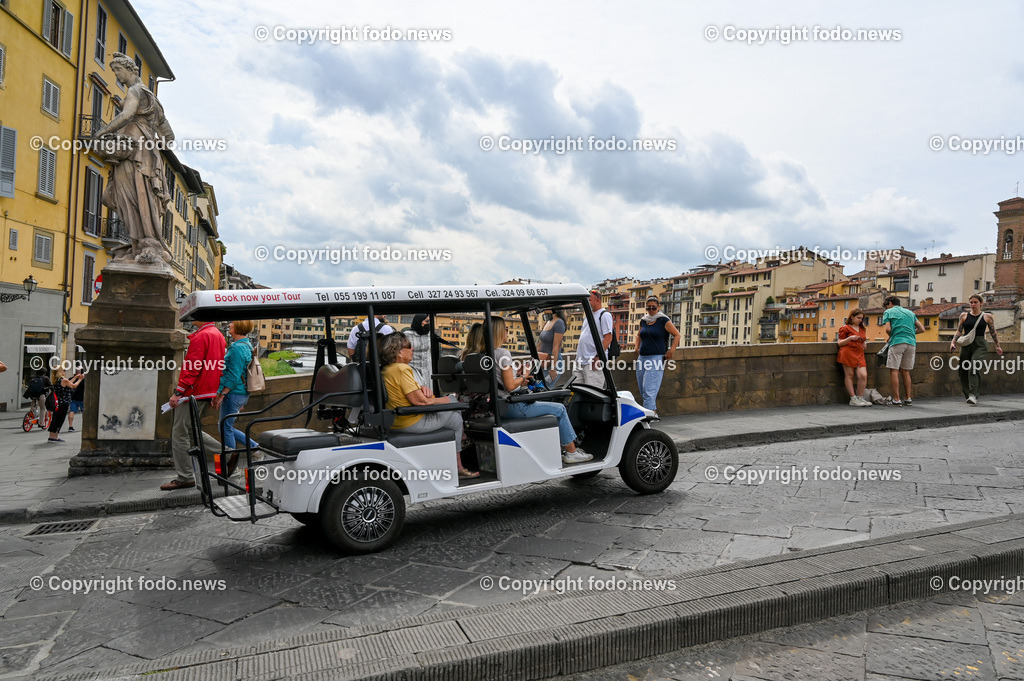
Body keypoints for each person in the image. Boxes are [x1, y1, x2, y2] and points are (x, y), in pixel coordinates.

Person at [93, 53, 174, 265]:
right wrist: (153, 146)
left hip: (131, 153)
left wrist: (101, 133)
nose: (117, 76)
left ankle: (143, 243)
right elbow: (169, 135)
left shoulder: (135, 91)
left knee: (129, 197)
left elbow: (126, 115)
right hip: (147, 155)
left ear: (129, 69)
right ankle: (141, 242)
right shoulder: (153, 99)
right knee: (138, 198)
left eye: (118, 70)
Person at [489, 317, 593, 465]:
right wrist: (524, 375)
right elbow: (511, 386)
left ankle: (566, 448)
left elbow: (502, 380)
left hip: (498, 406)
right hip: (513, 406)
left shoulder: (487, 354)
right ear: (498, 331)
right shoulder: (502, 353)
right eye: (506, 329)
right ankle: (571, 452)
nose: (508, 331)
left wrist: (517, 376)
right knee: (560, 409)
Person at [379, 333, 478, 479]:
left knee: (454, 413)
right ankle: (459, 463)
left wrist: (422, 389)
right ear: (399, 351)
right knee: (456, 415)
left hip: (397, 421)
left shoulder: (388, 369)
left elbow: (409, 394)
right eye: (408, 346)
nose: (412, 348)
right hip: (412, 421)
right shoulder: (402, 369)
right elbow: (421, 402)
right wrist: (447, 400)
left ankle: (458, 447)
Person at [162, 320, 225, 490]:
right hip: (207, 391)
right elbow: (218, 366)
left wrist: (179, 392)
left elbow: (192, 367)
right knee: (192, 431)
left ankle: (185, 477)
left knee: (179, 433)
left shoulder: (201, 336)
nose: (189, 318)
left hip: (193, 392)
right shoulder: (218, 335)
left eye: (193, 315)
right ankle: (228, 453)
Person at [212, 320, 259, 471]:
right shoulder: (246, 345)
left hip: (233, 393)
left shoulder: (238, 348)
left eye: (232, 324)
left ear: (238, 328)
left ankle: (230, 462)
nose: (230, 325)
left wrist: (221, 395)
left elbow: (233, 375)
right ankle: (254, 448)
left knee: (225, 427)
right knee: (227, 426)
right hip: (240, 393)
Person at [950, 294, 1003, 405]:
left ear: (981, 303)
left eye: (975, 302)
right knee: (963, 369)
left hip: (980, 344)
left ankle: (973, 395)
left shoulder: (987, 316)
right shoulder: (964, 315)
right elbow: (959, 330)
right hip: (966, 345)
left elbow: (993, 332)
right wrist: (953, 342)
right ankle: (968, 394)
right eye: (971, 302)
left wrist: (997, 345)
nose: (973, 304)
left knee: (974, 366)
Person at [633, 296, 680, 412]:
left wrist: (672, 350)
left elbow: (677, 335)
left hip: (656, 358)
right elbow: (639, 335)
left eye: (653, 308)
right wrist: (636, 347)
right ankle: (652, 412)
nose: (651, 310)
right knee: (643, 389)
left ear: (658, 307)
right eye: (648, 308)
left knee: (649, 389)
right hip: (642, 358)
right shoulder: (644, 320)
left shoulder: (663, 320)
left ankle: (647, 418)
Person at [881, 296, 924, 406]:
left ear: (890, 303)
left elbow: (887, 329)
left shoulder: (888, 312)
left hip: (897, 342)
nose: (885, 308)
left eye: (886, 306)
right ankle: (908, 398)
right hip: (911, 343)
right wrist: (910, 333)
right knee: (905, 371)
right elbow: (922, 329)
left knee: (894, 370)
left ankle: (896, 399)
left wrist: (892, 335)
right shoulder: (910, 313)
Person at [573, 290, 613, 388]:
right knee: (577, 390)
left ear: (598, 300)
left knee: (593, 392)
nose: (587, 302)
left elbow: (608, 338)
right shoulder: (588, 316)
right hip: (580, 361)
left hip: (593, 362)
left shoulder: (604, 315)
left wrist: (598, 357)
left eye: (589, 300)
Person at [837, 309, 872, 407]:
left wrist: (864, 343)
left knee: (863, 375)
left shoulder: (862, 328)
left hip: (859, 353)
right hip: (848, 352)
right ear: (852, 317)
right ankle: (853, 399)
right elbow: (839, 343)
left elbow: (863, 339)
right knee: (850, 375)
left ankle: (860, 397)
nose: (860, 320)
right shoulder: (845, 328)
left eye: (861, 318)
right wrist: (850, 338)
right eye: (858, 318)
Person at [46, 367, 83, 443]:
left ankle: (53, 436)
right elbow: (73, 386)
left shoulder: (56, 380)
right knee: (60, 419)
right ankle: (54, 437)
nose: (64, 371)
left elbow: (69, 383)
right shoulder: (64, 380)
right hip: (63, 403)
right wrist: (80, 379)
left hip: (57, 403)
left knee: (55, 419)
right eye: (63, 370)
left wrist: (75, 377)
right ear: (60, 371)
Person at [538, 309, 567, 382]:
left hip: (553, 363)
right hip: (543, 362)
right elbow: (540, 344)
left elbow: (556, 346)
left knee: (546, 388)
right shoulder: (548, 322)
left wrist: (553, 367)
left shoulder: (559, 323)